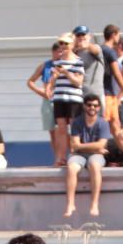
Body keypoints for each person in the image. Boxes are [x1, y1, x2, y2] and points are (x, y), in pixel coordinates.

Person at [64, 94, 111, 218]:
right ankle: (70, 204)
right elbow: (74, 144)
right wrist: (95, 147)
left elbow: (102, 143)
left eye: (95, 105)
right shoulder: (77, 122)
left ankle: (94, 204)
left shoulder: (103, 123)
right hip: (80, 155)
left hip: (94, 156)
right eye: (89, 105)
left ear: (99, 107)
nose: (92, 107)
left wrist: (80, 146)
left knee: (95, 166)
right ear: (84, 106)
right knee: (71, 168)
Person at [46, 33, 85, 166]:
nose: (62, 46)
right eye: (61, 43)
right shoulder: (57, 61)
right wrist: (50, 84)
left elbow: (78, 82)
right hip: (59, 98)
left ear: (72, 45)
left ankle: (75, 154)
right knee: (61, 129)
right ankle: (61, 157)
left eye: (66, 43)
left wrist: (67, 73)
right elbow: (52, 80)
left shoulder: (79, 61)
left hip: (74, 99)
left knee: (74, 127)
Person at [27, 42, 64, 150]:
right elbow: (30, 82)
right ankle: (57, 158)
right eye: (59, 51)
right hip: (48, 101)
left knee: (63, 130)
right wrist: (41, 92)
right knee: (52, 132)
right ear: (53, 52)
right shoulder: (45, 65)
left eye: (63, 51)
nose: (61, 54)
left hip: (62, 99)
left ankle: (66, 156)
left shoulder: (66, 65)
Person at [100, 25, 123, 136]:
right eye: (118, 35)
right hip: (108, 93)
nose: (118, 38)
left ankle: (121, 150)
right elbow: (117, 73)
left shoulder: (99, 49)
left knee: (112, 124)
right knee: (112, 124)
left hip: (103, 91)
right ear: (113, 35)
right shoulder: (110, 52)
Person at [73, 25, 106, 108]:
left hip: (96, 93)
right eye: (78, 35)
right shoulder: (74, 53)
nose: (81, 37)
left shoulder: (94, 48)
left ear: (89, 36)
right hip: (79, 94)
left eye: (83, 35)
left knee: (99, 120)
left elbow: (96, 50)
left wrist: (87, 45)